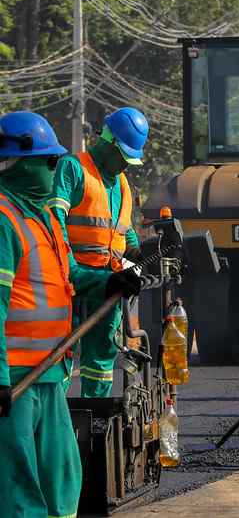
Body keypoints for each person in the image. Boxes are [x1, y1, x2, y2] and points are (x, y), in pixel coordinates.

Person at [0, 111, 140, 518]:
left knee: (63, 475)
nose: (54, 169)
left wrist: (109, 283)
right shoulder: (5, 220)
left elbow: (70, 275)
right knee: (18, 484)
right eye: (48, 161)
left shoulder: (41, 218)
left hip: (50, 369)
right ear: (21, 164)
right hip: (16, 381)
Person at [48, 107, 146, 397]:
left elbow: (122, 228)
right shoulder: (73, 168)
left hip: (108, 284)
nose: (124, 165)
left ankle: (96, 412)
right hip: (71, 282)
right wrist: (68, 268)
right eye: (123, 157)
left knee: (102, 355)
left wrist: (140, 251)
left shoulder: (123, 184)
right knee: (62, 352)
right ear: (108, 142)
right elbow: (55, 221)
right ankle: (58, 418)